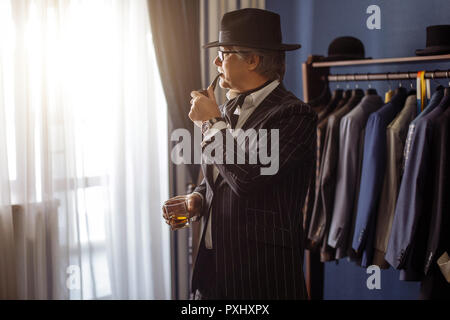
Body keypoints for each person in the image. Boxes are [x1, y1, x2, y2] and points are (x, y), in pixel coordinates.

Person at [162, 8, 317, 300]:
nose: (216, 61)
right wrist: (197, 199)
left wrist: (212, 125)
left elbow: (248, 177)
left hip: (262, 279)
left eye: (224, 53)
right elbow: (219, 179)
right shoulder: (224, 112)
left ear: (254, 60)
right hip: (211, 276)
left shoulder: (294, 115)